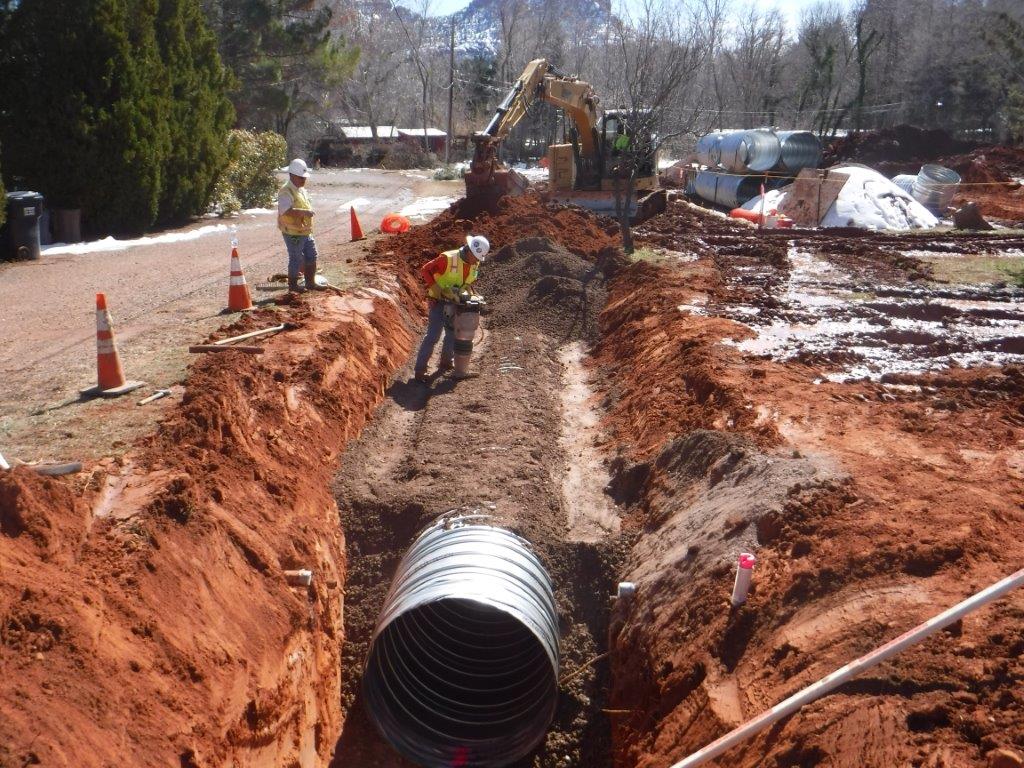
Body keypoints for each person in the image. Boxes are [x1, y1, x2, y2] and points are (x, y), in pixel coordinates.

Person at [413, 234, 490, 383]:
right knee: (433, 336)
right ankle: (420, 371)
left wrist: (468, 294)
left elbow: (467, 282)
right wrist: (437, 289)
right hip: (439, 301)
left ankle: (445, 363)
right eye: (476, 258)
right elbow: (425, 270)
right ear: (470, 251)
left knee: (452, 334)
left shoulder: (474, 263)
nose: (477, 261)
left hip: (457, 302)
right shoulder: (448, 258)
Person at [278, 158, 325, 293]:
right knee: (296, 258)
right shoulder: (286, 191)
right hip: (292, 232)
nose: (303, 180)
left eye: (304, 177)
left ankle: (310, 283)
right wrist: (304, 212)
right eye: (300, 177)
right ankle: (293, 286)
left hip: (305, 231)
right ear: (292, 175)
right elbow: (285, 210)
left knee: (312, 255)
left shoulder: (301, 190)